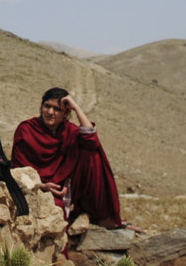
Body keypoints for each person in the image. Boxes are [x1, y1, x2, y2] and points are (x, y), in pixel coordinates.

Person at [10, 88, 127, 230]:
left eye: (57, 109)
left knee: (93, 155)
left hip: (64, 186)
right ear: (41, 107)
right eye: (47, 106)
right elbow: (18, 169)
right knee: (56, 209)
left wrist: (76, 107)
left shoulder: (69, 131)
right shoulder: (26, 129)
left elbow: (92, 140)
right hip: (36, 186)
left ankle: (102, 215)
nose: (50, 112)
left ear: (65, 113)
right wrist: (41, 186)